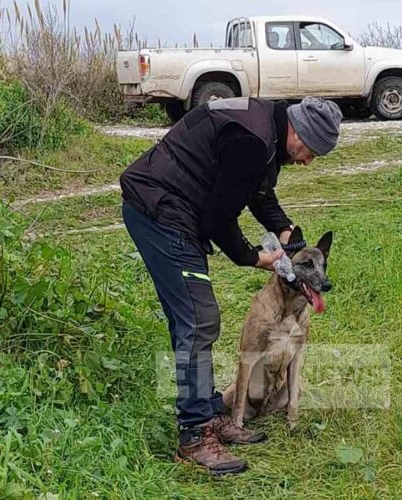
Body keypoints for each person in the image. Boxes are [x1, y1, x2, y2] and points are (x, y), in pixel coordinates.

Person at [119, 96, 343, 475]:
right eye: (311, 152)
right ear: (299, 132)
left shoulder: (267, 128)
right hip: (160, 208)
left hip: (176, 208)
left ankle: (209, 414)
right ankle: (194, 436)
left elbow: (257, 191)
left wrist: (284, 229)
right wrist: (255, 257)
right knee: (198, 319)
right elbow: (219, 218)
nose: (307, 162)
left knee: (196, 319)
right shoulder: (254, 140)